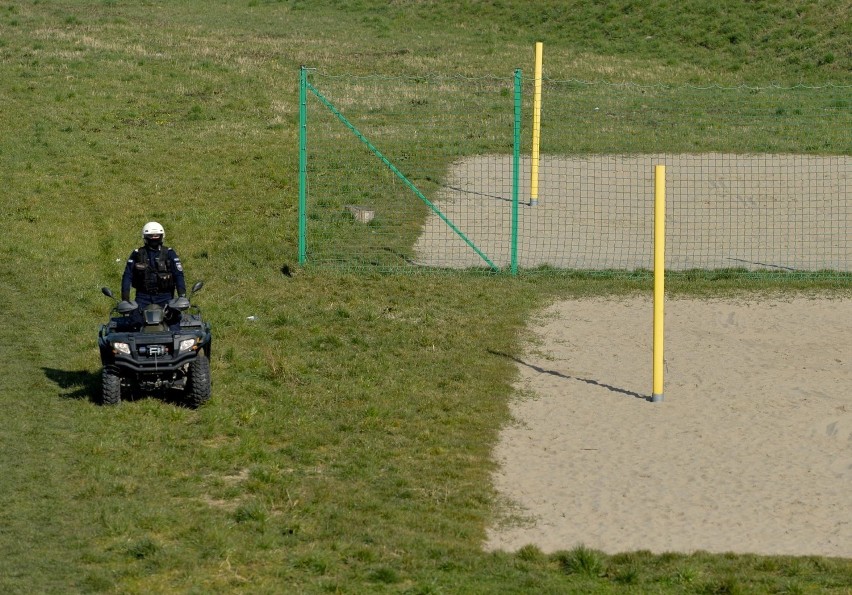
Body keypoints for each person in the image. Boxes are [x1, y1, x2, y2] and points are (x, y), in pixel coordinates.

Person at [121, 222, 187, 315]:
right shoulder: (137, 254)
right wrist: (125, 299)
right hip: (142, 297)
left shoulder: (169, 253)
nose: (154, 238)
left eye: (157, 236)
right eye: (151, 236)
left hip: (165, 297)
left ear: (161, 236)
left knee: (174, 323)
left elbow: (178, 274)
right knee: (135, 322)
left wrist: (182, 296)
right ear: (145, 237)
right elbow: (127, 276)